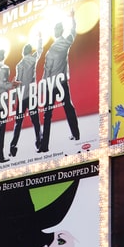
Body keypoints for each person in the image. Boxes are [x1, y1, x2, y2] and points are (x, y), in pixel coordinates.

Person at [41, 10, 81, 150]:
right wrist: (72, 19)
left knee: (47, 113)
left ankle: (44, 145)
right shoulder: (65, 43)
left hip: (52, 84)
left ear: (56, 32)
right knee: (68, 107)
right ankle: (76, 135)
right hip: (62, 82)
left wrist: (42, 86)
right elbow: (73, 32)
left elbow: (47, 71)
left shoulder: (51, 51)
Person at [11, 35, 43, 155]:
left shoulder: (19, 65)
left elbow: (17, 83)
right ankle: (39, 142)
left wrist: (14, 100)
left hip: (22, 97)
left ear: (23, 52)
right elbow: (40, 51)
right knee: (35, 120)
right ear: (30, 51)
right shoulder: (33, 59)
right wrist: (39, 39)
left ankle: (13, 147)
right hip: (31, 95)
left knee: (18, 123)